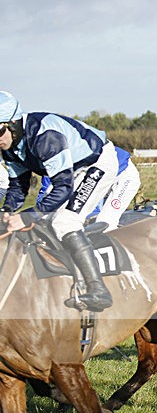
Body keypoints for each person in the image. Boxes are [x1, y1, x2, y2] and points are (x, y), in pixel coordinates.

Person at [0, 91, 117, 311]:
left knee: (64, 222)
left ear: (13, 125)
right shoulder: (9, 148)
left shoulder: (45, 138)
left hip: (95, 164)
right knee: (42, 220)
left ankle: (98, 289)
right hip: (69, 171)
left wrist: (26, 217)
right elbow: (18, 186)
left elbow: (63, 189)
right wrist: (7, 210)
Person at [37, 145, 141, 231]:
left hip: (124, 176)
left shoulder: (67, 154)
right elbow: (46, 193)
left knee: (105, 220)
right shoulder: (50, 162)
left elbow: (89, 195)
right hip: (102, 174)